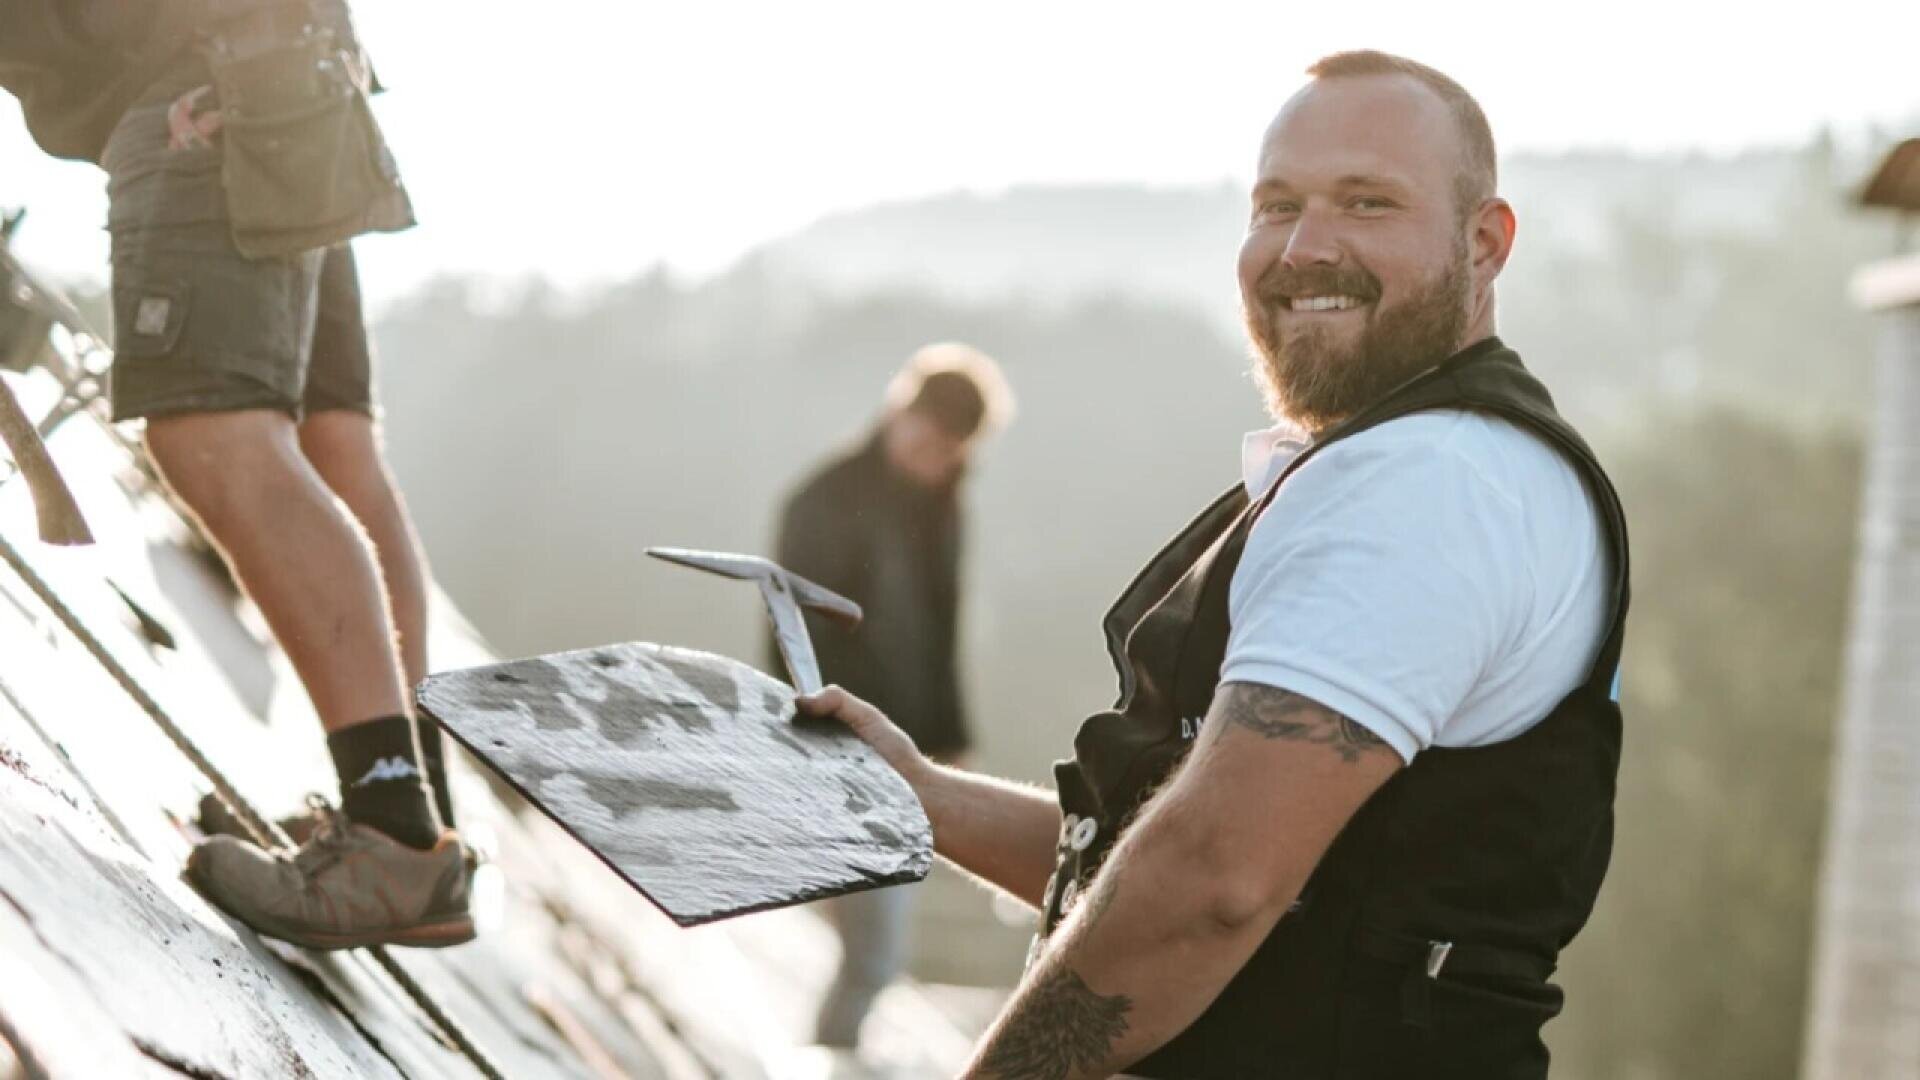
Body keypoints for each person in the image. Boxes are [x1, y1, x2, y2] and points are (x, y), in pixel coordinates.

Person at [800, 50, 1629, 1079]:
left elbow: (1210, 882)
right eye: (1276, 205)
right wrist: (923, 796)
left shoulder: (1432, 480)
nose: (1305, 247)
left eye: (1367, 203)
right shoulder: (1421, 466)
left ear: (1485, 243)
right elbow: (1180, 848)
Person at [1, 2, 471, 949]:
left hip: (205, 83)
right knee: (333, 448)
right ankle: (403, 793)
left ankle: (392, 835)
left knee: (216, 438)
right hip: (278, 69)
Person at [774, 342, 1014, 1052]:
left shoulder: (944, 509)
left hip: (908, 755)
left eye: (947, 448)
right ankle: (826, 1062)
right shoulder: (826, 499)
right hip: (836, 753)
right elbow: (792, 641)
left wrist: (951, 739)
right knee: (874, 957)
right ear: (899, 409)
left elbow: (941, 636)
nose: (930, 455)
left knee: (870, 951)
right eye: (924, 434)